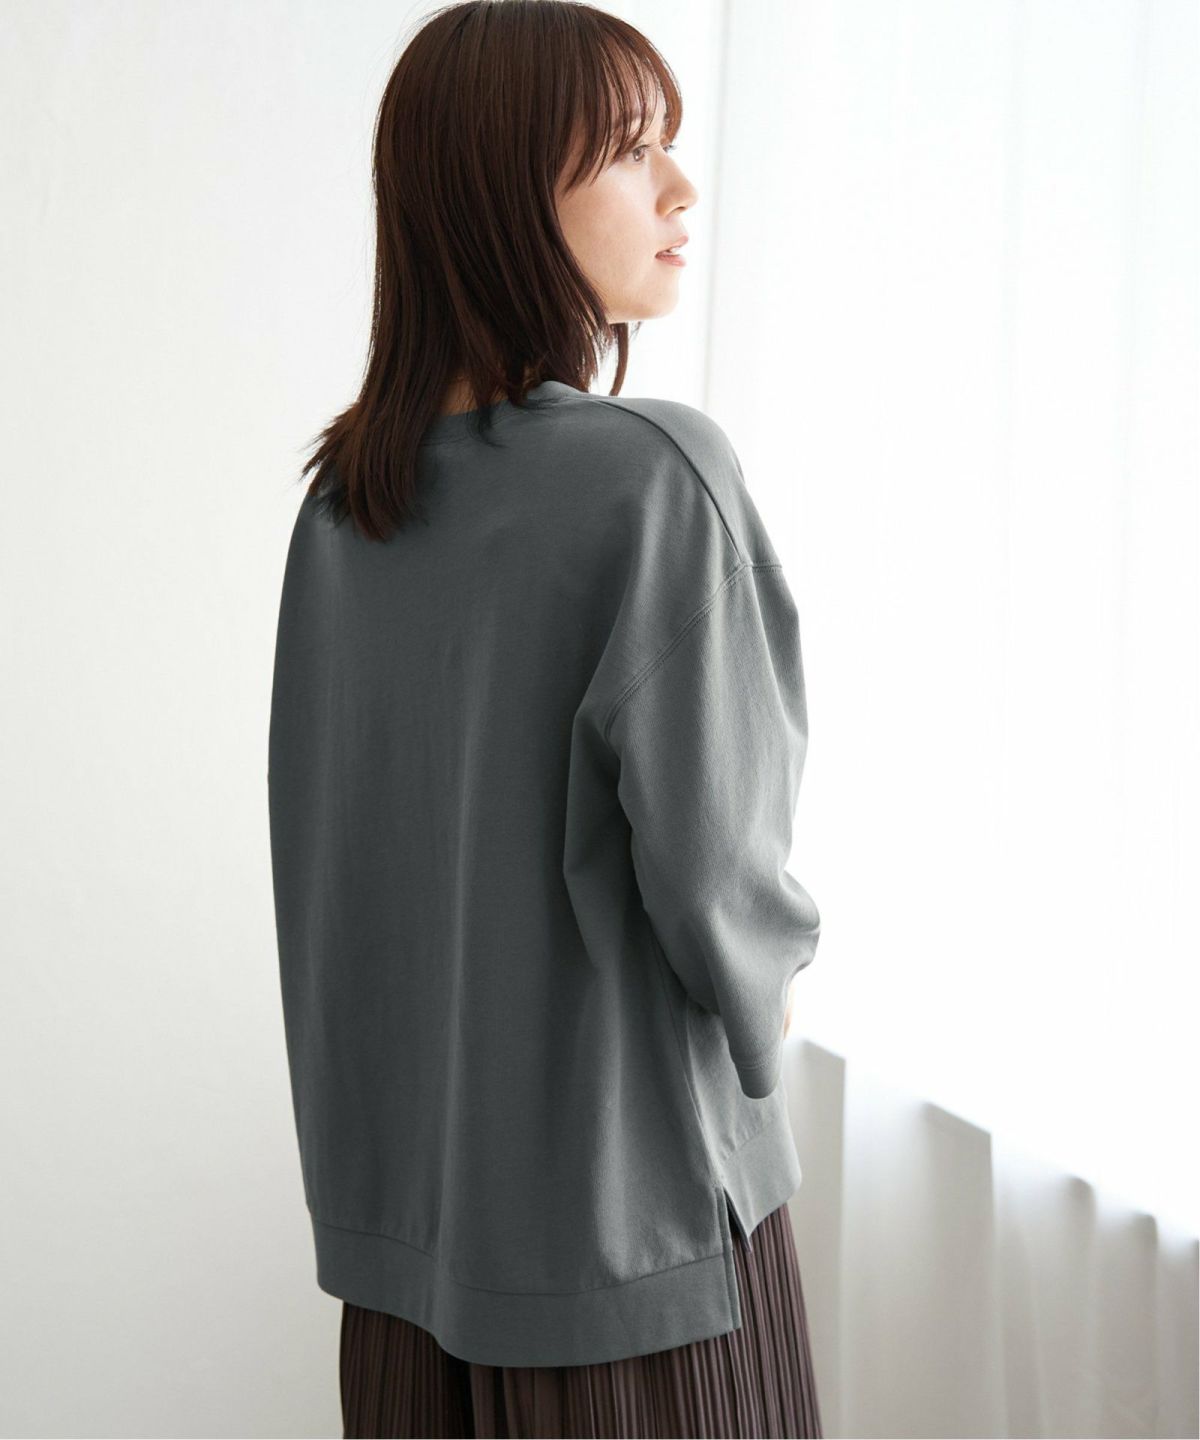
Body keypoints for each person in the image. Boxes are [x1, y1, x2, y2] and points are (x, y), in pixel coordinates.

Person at [267, 3, 823, 1435]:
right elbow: (725, 882)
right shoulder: (650, 476)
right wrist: (770, 1005)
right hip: (633, 1246)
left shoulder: (344, 508)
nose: (681, 190)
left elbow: (333, 866)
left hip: (409, 1248)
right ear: (507, 191)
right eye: (634, 151)